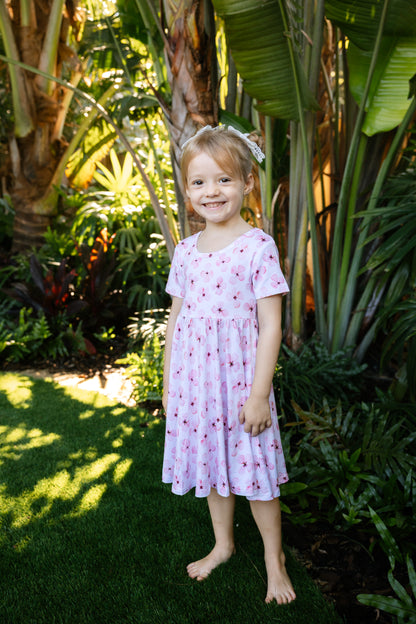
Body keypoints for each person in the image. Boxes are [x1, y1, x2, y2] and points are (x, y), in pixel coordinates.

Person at [162, 125, 296, 605]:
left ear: (246, 182)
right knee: (214, 468)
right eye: (198, 182)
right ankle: (223, 545)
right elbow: (176, 321)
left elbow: (271, 326)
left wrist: (259, 393)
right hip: (196, 385)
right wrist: (167, 383)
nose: (210, 192)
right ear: (186, 189)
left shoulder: (257, 247)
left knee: (254, 473)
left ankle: (273, 560)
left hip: (240, 385)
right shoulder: (185, 252)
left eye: (223, 180)